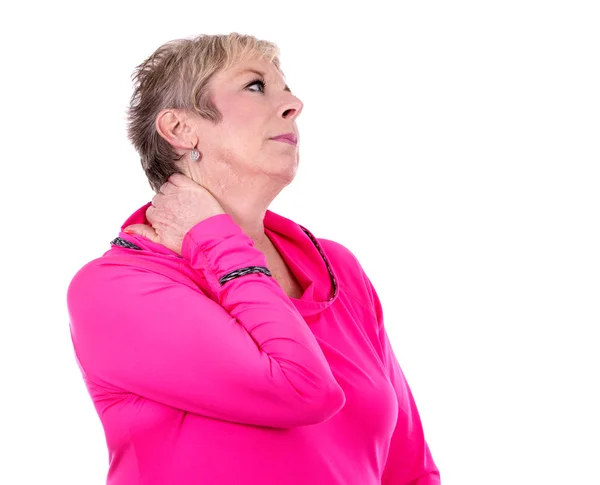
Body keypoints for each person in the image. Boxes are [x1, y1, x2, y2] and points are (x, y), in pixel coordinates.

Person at [66, 33, 440, 485]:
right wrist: (213, 238)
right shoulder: (116, 289)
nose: (294, 104)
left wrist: (214, 240)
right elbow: (302, 390)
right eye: (256, 86)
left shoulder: (337, 271)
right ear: (181, 129)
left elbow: (410, 470)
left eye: (286, 88)